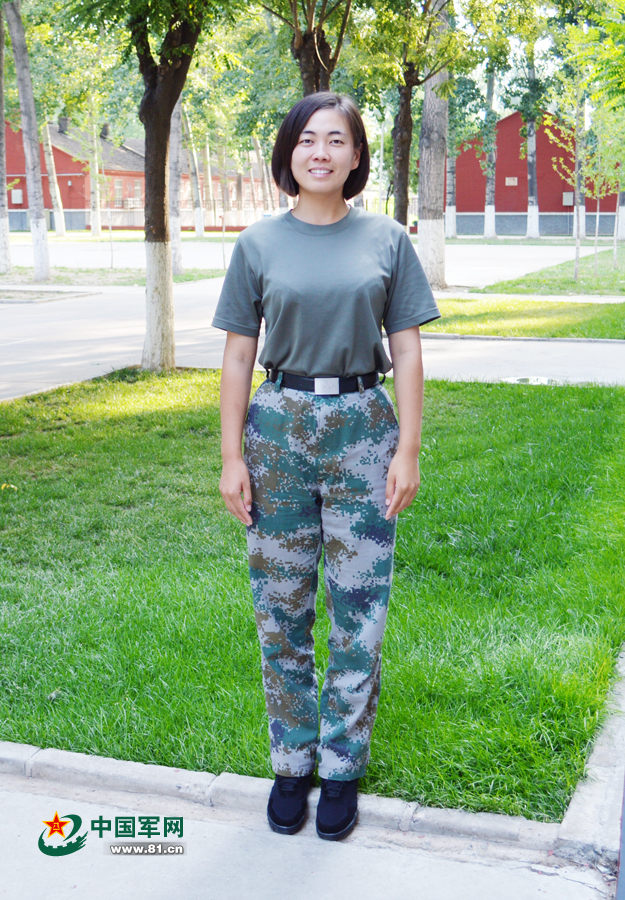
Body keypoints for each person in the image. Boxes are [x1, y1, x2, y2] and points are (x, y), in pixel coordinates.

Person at [212, 92, 440, 841]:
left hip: (362, 430)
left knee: (357, 606)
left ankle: (341, 767)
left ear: (354, 156)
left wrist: (406, 445)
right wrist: (231, 456)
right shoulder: (257, 244)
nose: (319, 152)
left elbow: (405, 345)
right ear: (288, 155)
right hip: (277, 427)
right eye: (306, 140)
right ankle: (292, 760)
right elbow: (239, 352)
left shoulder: (386, 240)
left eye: (334, 140)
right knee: (280, 604)